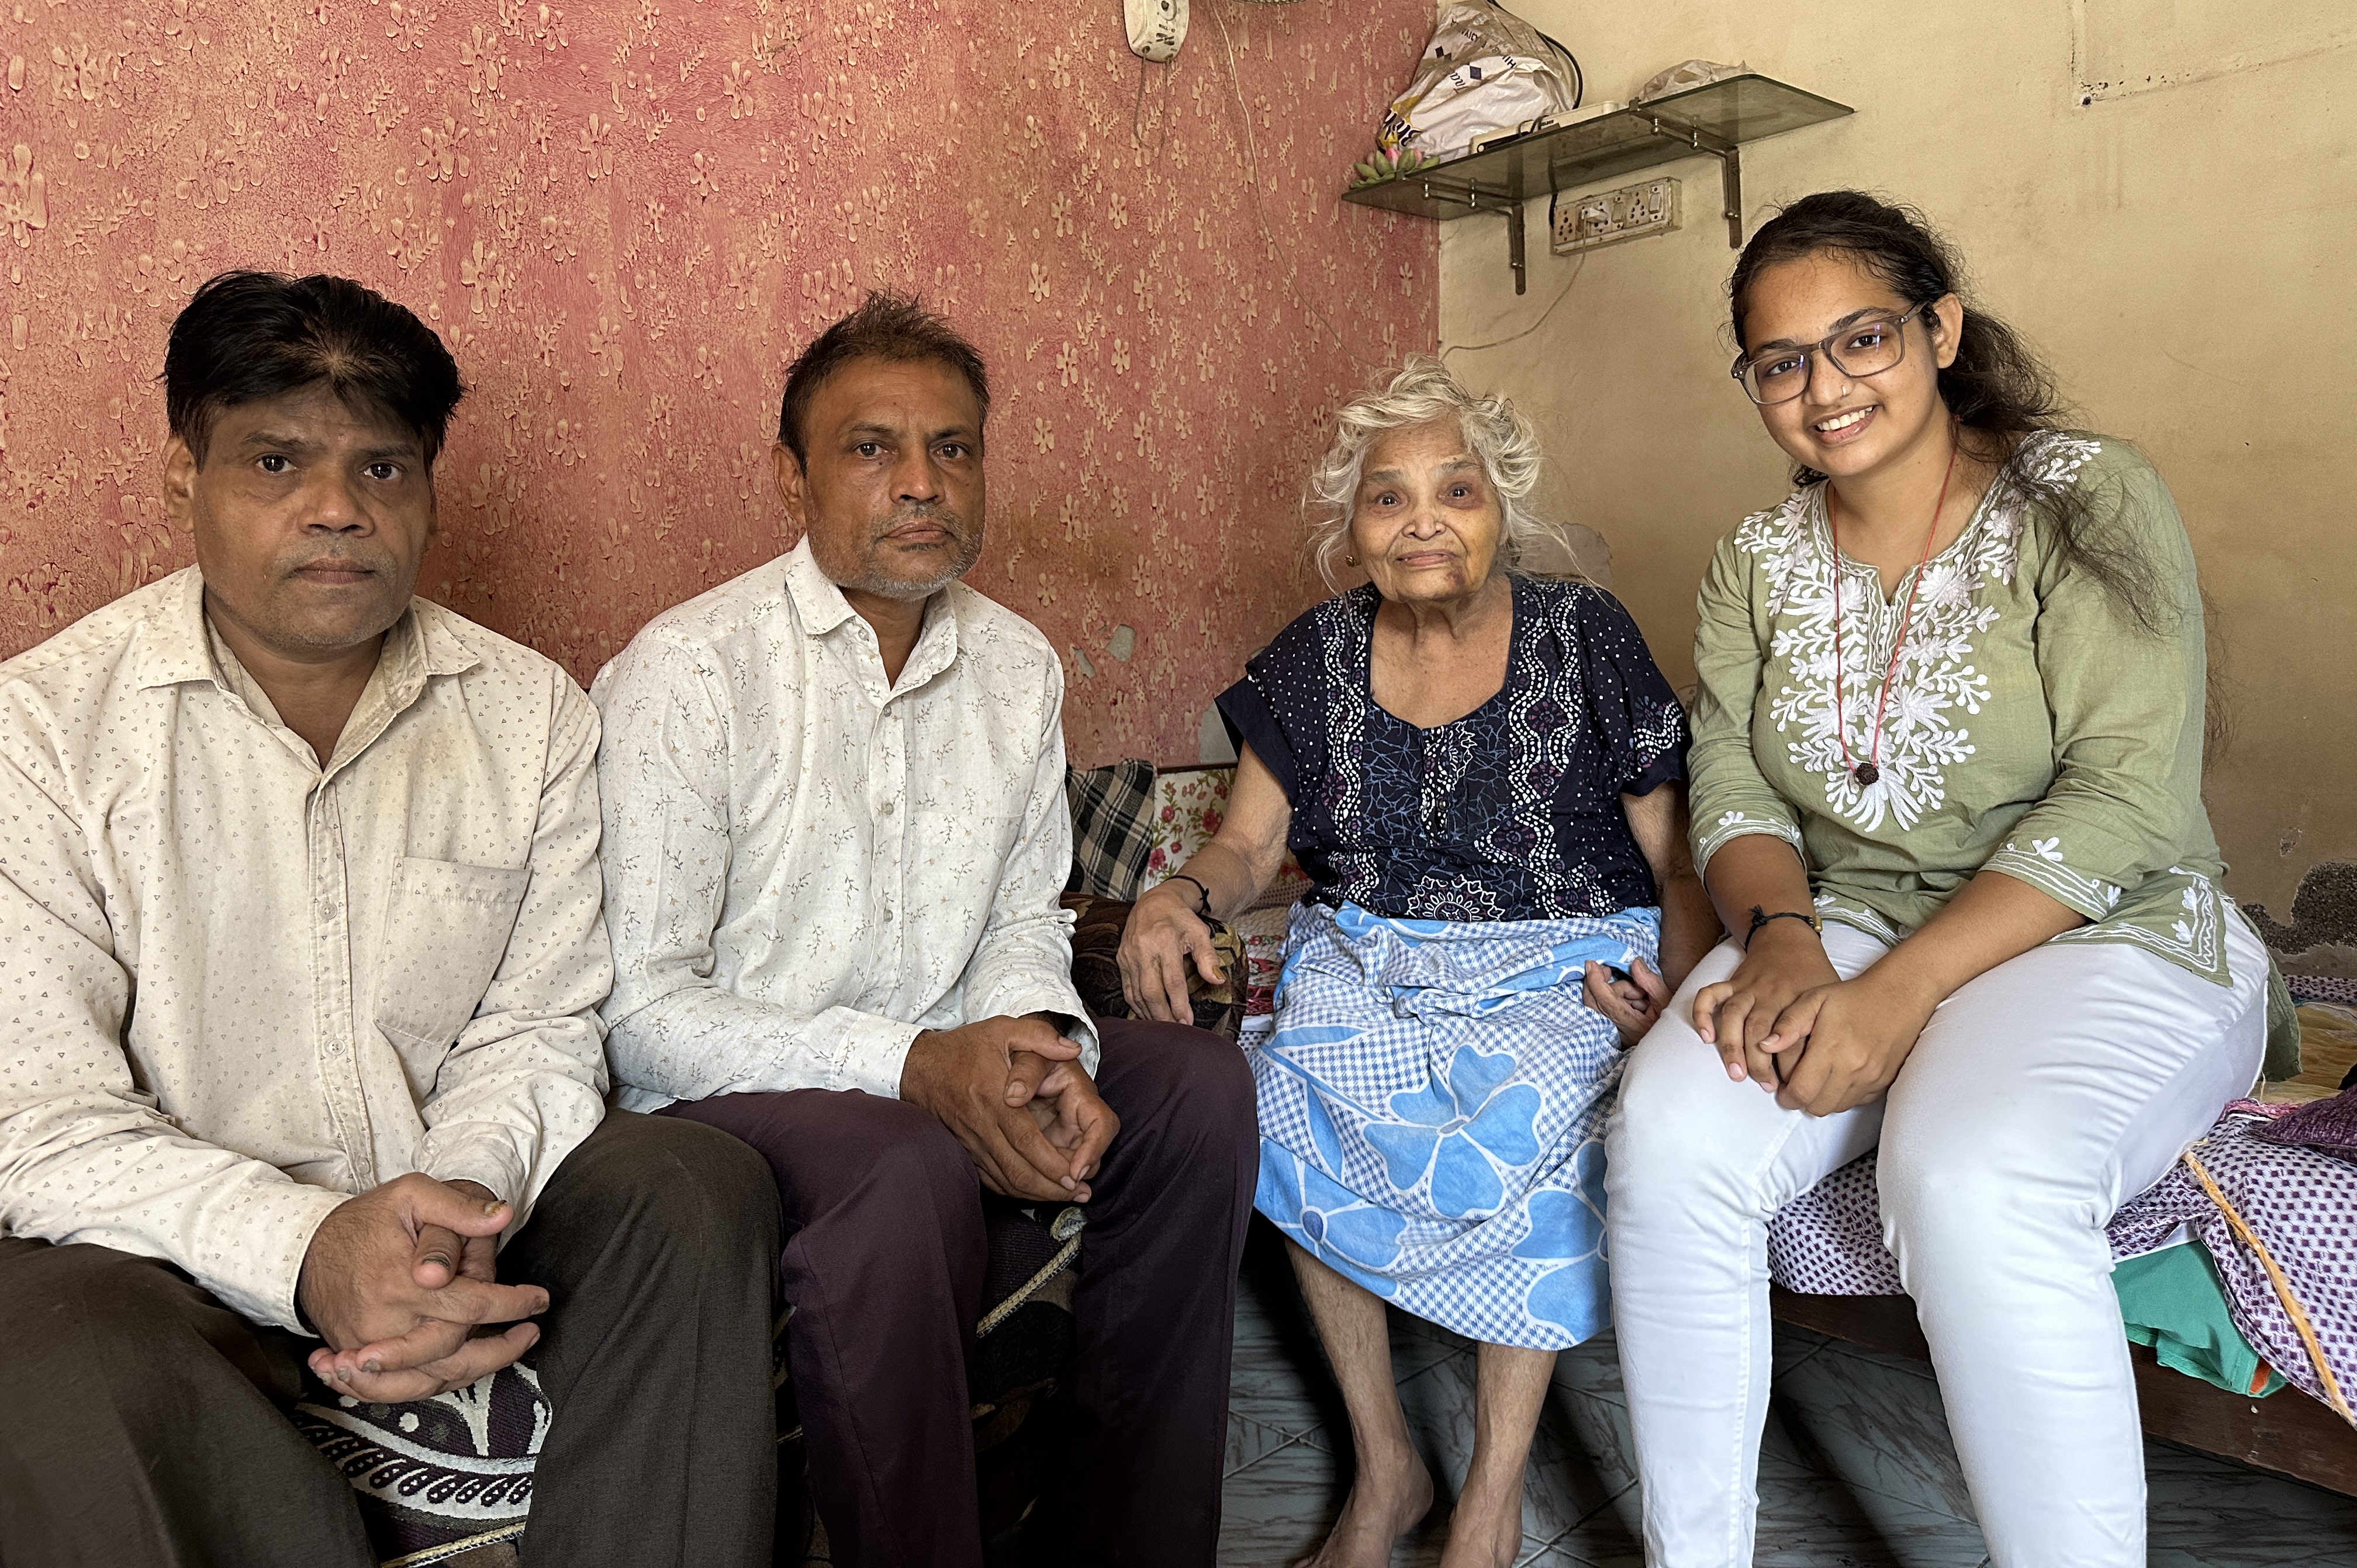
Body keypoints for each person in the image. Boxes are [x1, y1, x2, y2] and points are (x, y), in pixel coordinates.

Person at [0, 271, 782, 1567]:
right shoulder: (42, 737)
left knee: (696, 1185)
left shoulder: (532, 717)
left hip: (455, 1201)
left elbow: (538, 1026)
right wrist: (309, 1249)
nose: (335, 510)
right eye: (274, 460)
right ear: (180, 475)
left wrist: (461, 1205)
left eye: (383, 468)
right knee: (52, 1344)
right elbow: (41, 1118)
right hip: (172, 1248)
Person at [1604, 192, 2300, 1567]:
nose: (1824, 387)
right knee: (1669, 1136)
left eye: (1860, 339)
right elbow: (1733, 788)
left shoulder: (2085, 495)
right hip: (1844, 921)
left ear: (1940, 330)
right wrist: (1788, 944)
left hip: (2108, 925)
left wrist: (1901, 998)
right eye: (1781, 361)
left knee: (1972, 1173)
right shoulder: (1753, 564)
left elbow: (2123, 797)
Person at [591, 289, 1258, 1568]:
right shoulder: (692, 672)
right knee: (905, 1159)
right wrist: (915, 1072)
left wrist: (1038, 1042)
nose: (920, 485)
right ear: (790, 478)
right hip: (731, 1096)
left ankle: (1128, 1542)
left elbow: (1022, 914)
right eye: (870, 448)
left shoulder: (1018, 666)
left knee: (1202, 1090)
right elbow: (641, 1014)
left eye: (953, 449)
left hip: (940, 1054)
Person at [1119, 360, 1719, 1568]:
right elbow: (1247, 846)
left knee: (1543, 1112)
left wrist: (1682, 991)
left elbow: (1680, 864)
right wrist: (1172, 898)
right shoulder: (1311, 660)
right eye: (1388, 500)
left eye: (1456, 488)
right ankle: (1385, 1464)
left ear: (1504, 505)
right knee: (1275, 1092)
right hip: (1376, 952)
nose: (1424, 519)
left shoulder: (1583, 634)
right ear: (1355, 530)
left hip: (1568, 954)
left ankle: (1489, 1504)